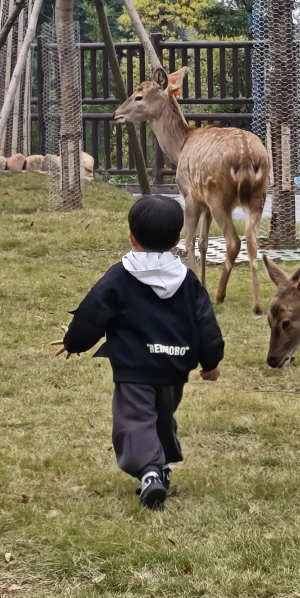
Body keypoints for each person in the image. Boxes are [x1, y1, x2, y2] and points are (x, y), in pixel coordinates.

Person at [57, 195, 224, 510]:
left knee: (134, 420)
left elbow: (94, 312)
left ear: (131, 235)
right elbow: (206, 324)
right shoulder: (187, 280)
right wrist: (210, 361)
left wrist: (74, 342)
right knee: (161, 417)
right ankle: (160, 468)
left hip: (134, 367)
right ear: (177, 238)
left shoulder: (121, 276)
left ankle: (149, 472)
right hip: (174, 367)